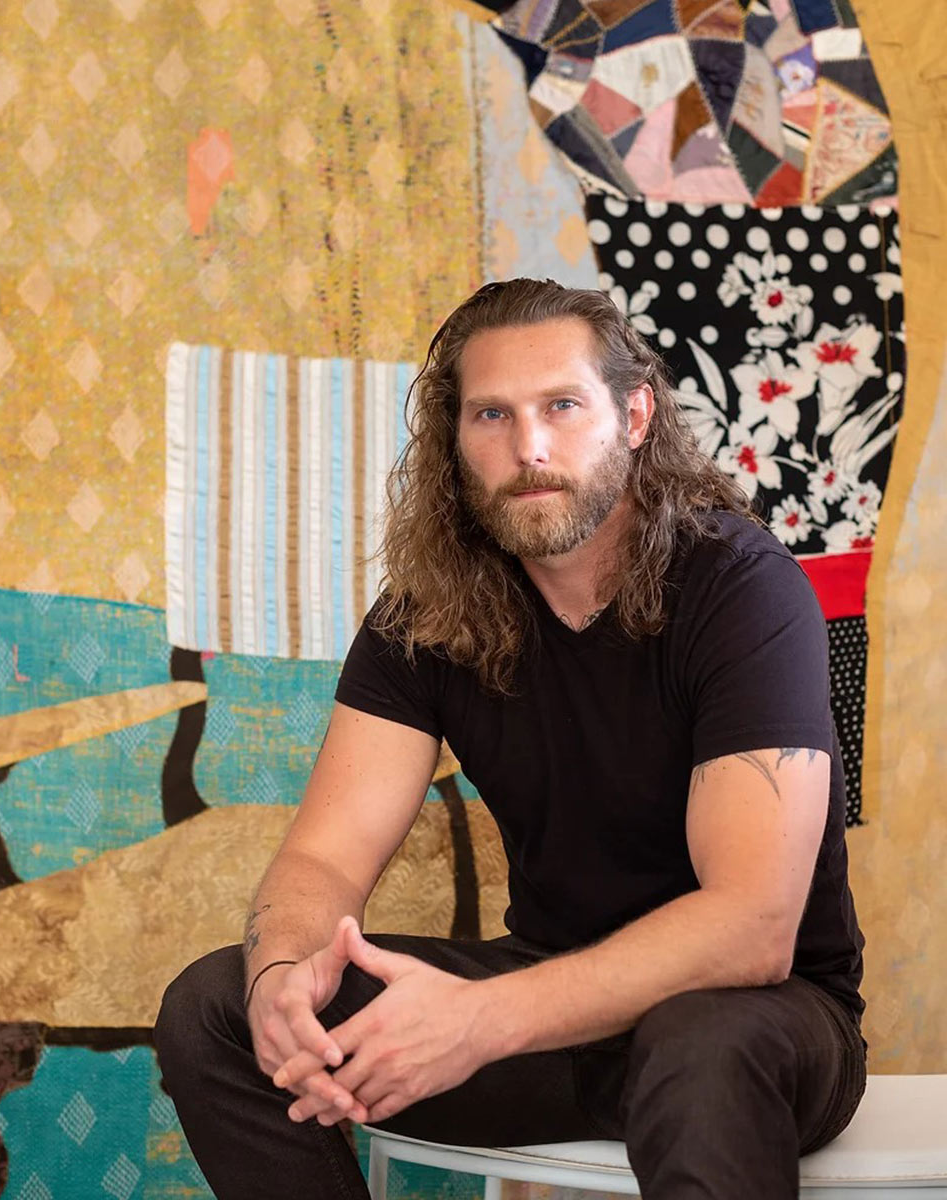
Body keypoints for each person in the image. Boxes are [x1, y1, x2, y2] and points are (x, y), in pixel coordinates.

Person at [154, 279, 867, 1200]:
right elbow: (324, 857)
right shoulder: (428, 614)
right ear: (455, 446)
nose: (528, 448)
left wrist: (482, 1020)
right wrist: (282, 978)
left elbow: (753, 928)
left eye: (562, 406)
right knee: (214, 1007)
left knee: (699, 1044)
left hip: (758, 1025)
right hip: (547, 1015)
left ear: (636, 415)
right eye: (491, 415)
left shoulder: (740, 588)